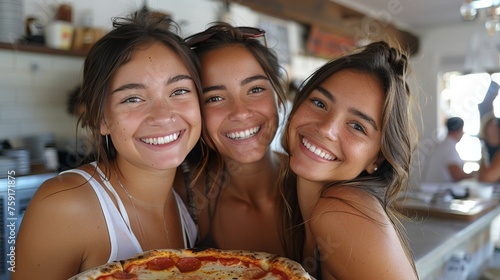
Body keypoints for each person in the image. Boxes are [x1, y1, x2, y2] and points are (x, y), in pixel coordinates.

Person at [14, 12, 202, 279]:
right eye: (133, 98)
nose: (162, 116)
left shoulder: (192, 196)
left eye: (179, 91)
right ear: (102, 119)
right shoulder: (64, 205)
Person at [279, 41, 419, 279]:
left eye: (357, 126)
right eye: (319, 103)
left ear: (378, 158)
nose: (326, 129)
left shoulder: (341, 211)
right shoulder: (292, 195)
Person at [178, 22, 288, 255]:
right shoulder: (180, 197)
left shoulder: (321, 189)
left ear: (279, 97)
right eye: (215, 98)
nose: (240, 112)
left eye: (255, 90)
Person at [423, 117, 476, 183]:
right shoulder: (448, 147)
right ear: (459, 130)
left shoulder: (445, 144)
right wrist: (476, 175)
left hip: (437, 188)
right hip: (437, 190)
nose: (463, 133)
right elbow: (457, 175)